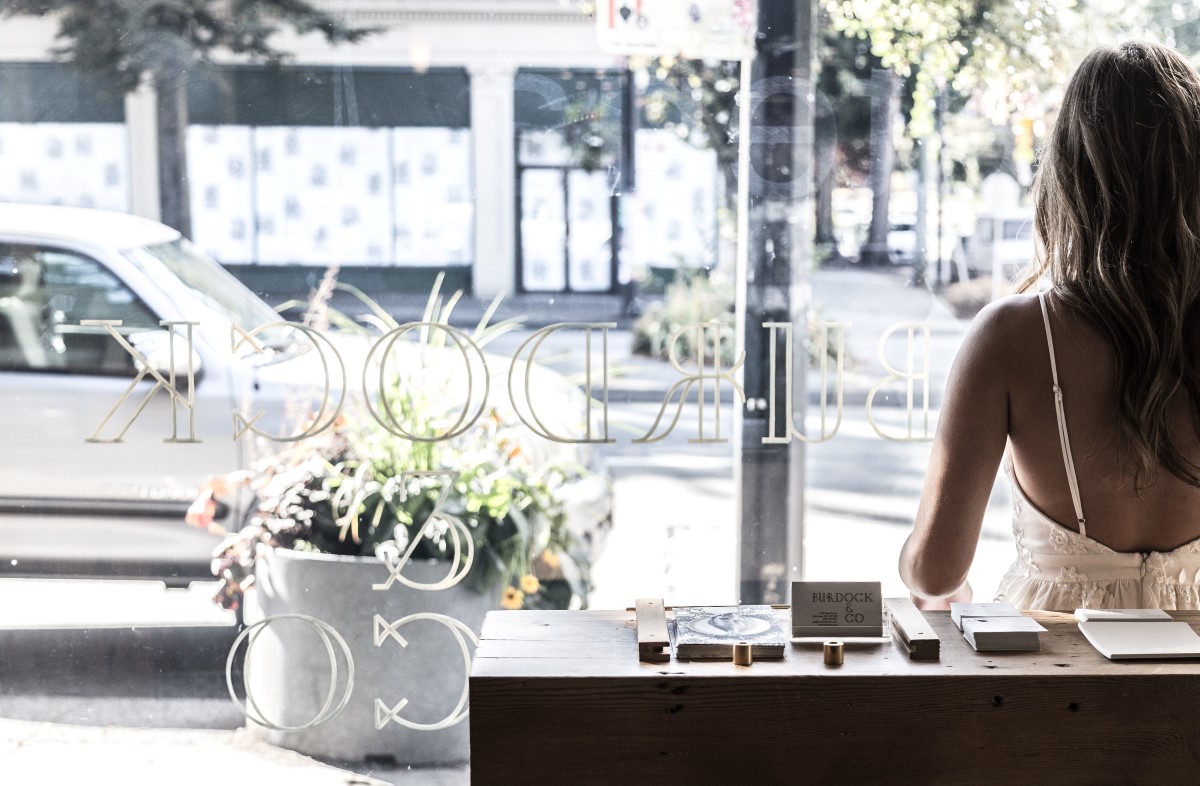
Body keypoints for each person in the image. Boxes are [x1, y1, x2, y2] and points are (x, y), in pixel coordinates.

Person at [900, 41, 1200, 611]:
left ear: (1069, 174)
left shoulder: (1010, 337)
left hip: (1053, 687)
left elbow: (936, 574)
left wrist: (912, 562)